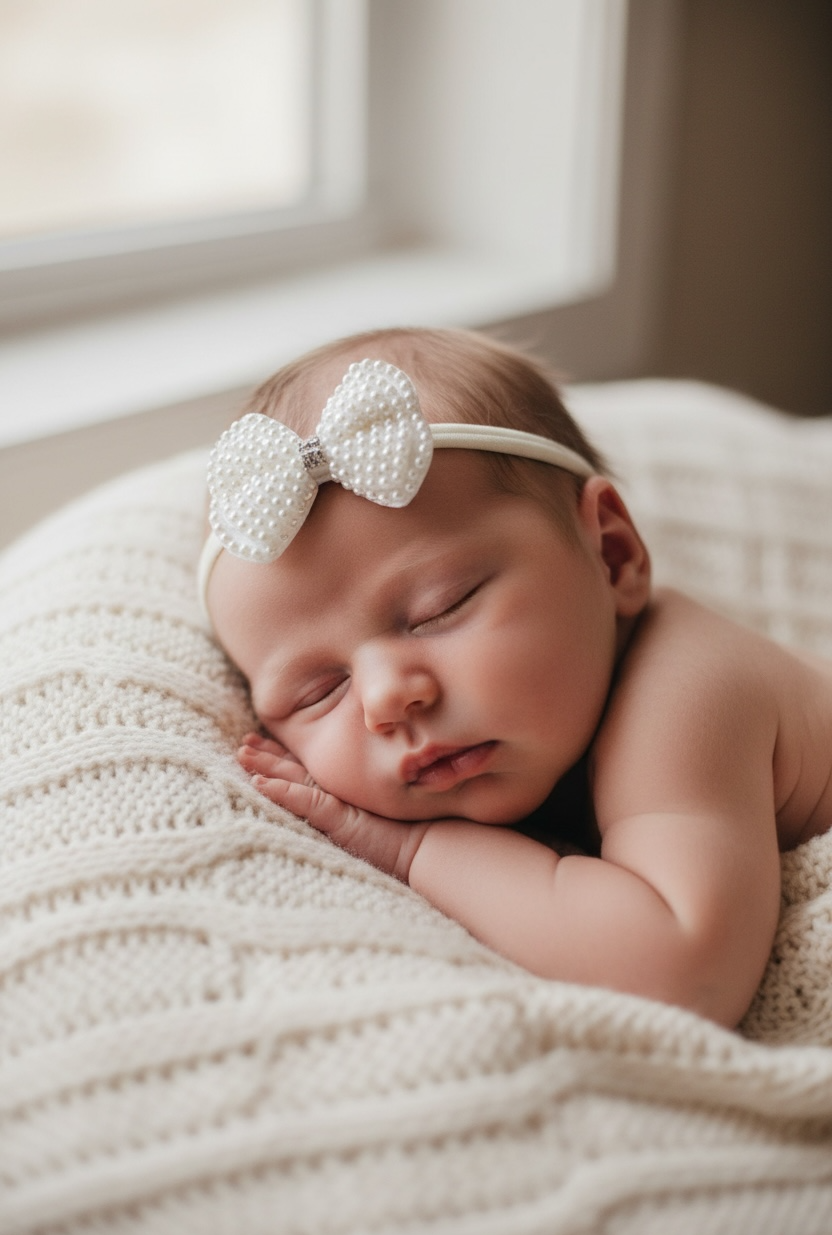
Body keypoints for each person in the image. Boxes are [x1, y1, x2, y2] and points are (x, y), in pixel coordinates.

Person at [198, 326, 832, 1028]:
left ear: (613, 555)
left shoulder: (688, 691)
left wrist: (417, 851)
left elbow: (682, 971)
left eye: (443, 608)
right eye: (318, 691)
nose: (386, 698)